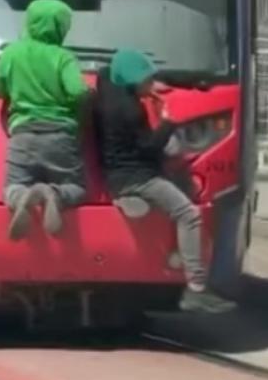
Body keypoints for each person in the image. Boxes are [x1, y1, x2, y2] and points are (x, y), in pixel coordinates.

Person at [95, 49, 236, 314]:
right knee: (189, 214)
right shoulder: (130, 110)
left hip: (117, 175)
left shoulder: (107, 88)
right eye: (147, 81)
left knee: (175, 185)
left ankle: (130, 200)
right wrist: (168, 123)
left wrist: (157, 83)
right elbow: (149, 147)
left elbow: (108, 71)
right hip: (137, 178)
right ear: (132, 80)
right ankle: (196, 289)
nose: (151, 86)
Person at [0, 0, 89, 240]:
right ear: (61, 26)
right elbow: (78, 91)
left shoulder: (11, 53)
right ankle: (54, 194)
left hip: (22, 135)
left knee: (12, 186)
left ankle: (21, 198)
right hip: (60, 136)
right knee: (77, 187)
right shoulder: (63, 57)